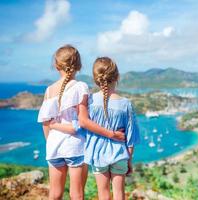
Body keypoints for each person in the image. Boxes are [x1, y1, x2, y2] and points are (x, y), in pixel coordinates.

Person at [37, 45, 125, 200]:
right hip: (75, 146)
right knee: (76, 194)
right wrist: (111, 134)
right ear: (79, 65)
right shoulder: (81, 87)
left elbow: (46, 123)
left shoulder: (49, 90)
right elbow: (83, 122)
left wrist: (52, 141)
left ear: (57, 65)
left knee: (55, 194)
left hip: (53, 146)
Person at [81, 57, 140, 200]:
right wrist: (129, 160)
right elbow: (130, 138)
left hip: (97, 155)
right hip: (119, 154)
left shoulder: (90, 101)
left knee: (103, 194)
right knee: (119, 194)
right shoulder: (126, 104)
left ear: (96, 79)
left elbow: (82, 127)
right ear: (117, 77)